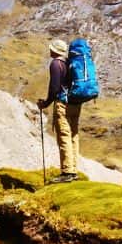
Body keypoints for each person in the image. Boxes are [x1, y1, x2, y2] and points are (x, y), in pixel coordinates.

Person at [37, 39, 81, 183]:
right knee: (73, 134)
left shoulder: (56, 64)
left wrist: (46, 103)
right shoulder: (69, 62)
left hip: (63, 103)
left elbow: (54, 88)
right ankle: (73, 169)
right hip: (75, 103)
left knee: (64, 135)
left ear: (55, 51)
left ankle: (67, 172)